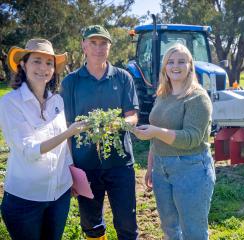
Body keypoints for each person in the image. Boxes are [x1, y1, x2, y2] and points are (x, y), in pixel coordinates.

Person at [0, 38, 87, 240]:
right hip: (25, 199)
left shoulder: (57, 101)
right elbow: (29, 151)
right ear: (23, 64)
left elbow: (64, 147)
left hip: (60, 195)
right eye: (36, 61)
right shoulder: (10, 103)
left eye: (49, 63)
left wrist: (72, 173)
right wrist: (69, 132)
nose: (43, 68)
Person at [60, 25, 139, 240]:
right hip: (85, 166)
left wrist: (119, 123)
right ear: (84, 46)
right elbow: (66, 128)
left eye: (103, 43)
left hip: (120, 164)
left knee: (127, 223)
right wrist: (70, 165)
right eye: (93, 43)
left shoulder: (123, 78)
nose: (98, 48)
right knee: (91, 223)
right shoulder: (70, 83)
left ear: (109, 47)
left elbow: (132, 116)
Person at [133, 43, 216, 240]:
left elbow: (191, 138)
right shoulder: (163, 95)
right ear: (164, 67)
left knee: (193, 231)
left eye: (181, 61)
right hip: (162, 169)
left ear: (190, 66)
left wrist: (155, 131)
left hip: (191, 168)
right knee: (170, 228)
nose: (175, 66)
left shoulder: (198, 98)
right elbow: (156, 134)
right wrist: (151, 166)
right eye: (170, 62)